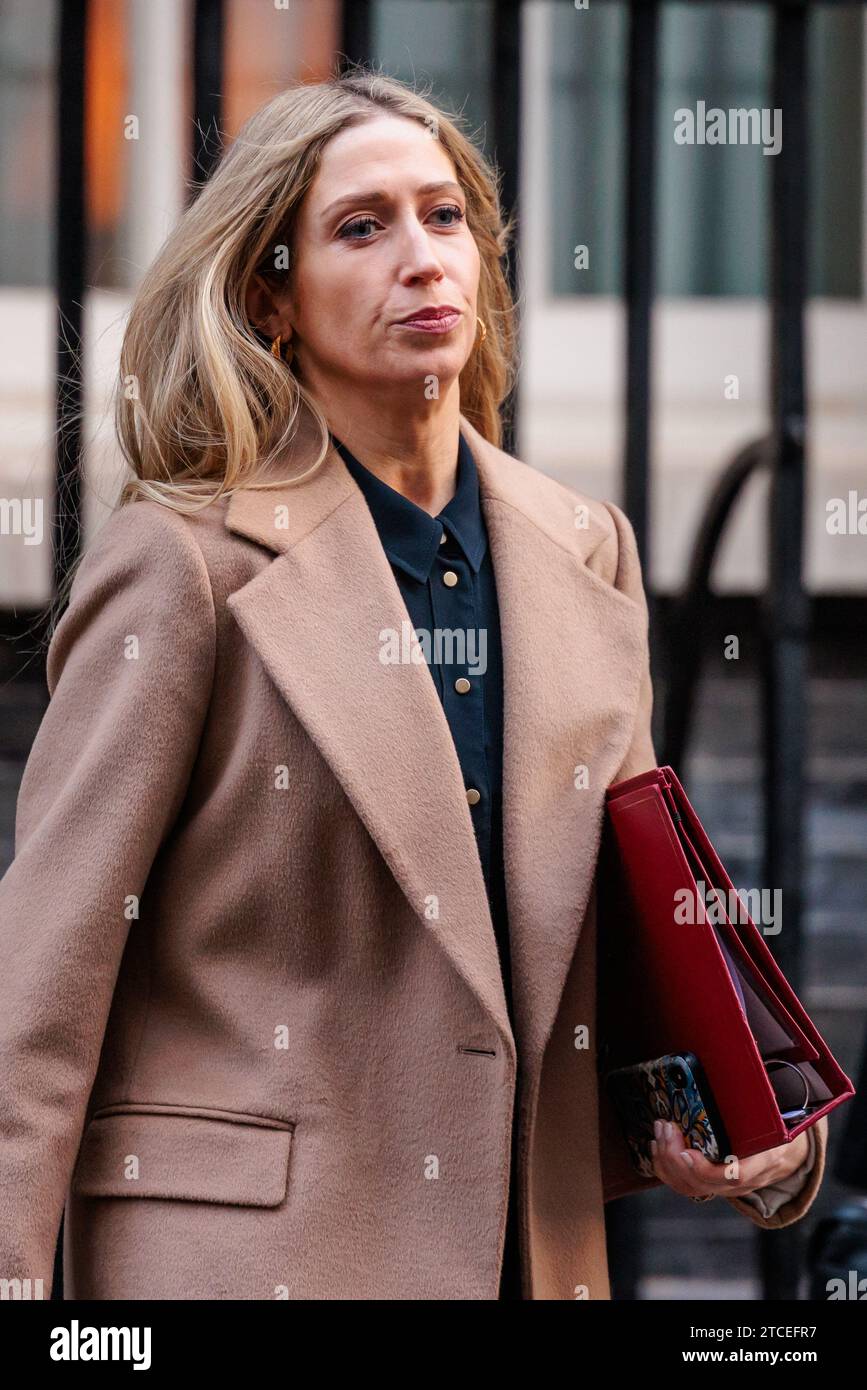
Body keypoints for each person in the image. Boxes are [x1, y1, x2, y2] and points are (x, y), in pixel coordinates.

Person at [0, 67, 827, 1301]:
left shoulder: (583, 548)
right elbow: (39, 988)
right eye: (361, 226)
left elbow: (622, 941)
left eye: (445, 216)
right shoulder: (183, 564)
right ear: (271, 298)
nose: (424, 257)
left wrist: (753, 1124)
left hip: (528, 1262)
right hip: (247, 1264)